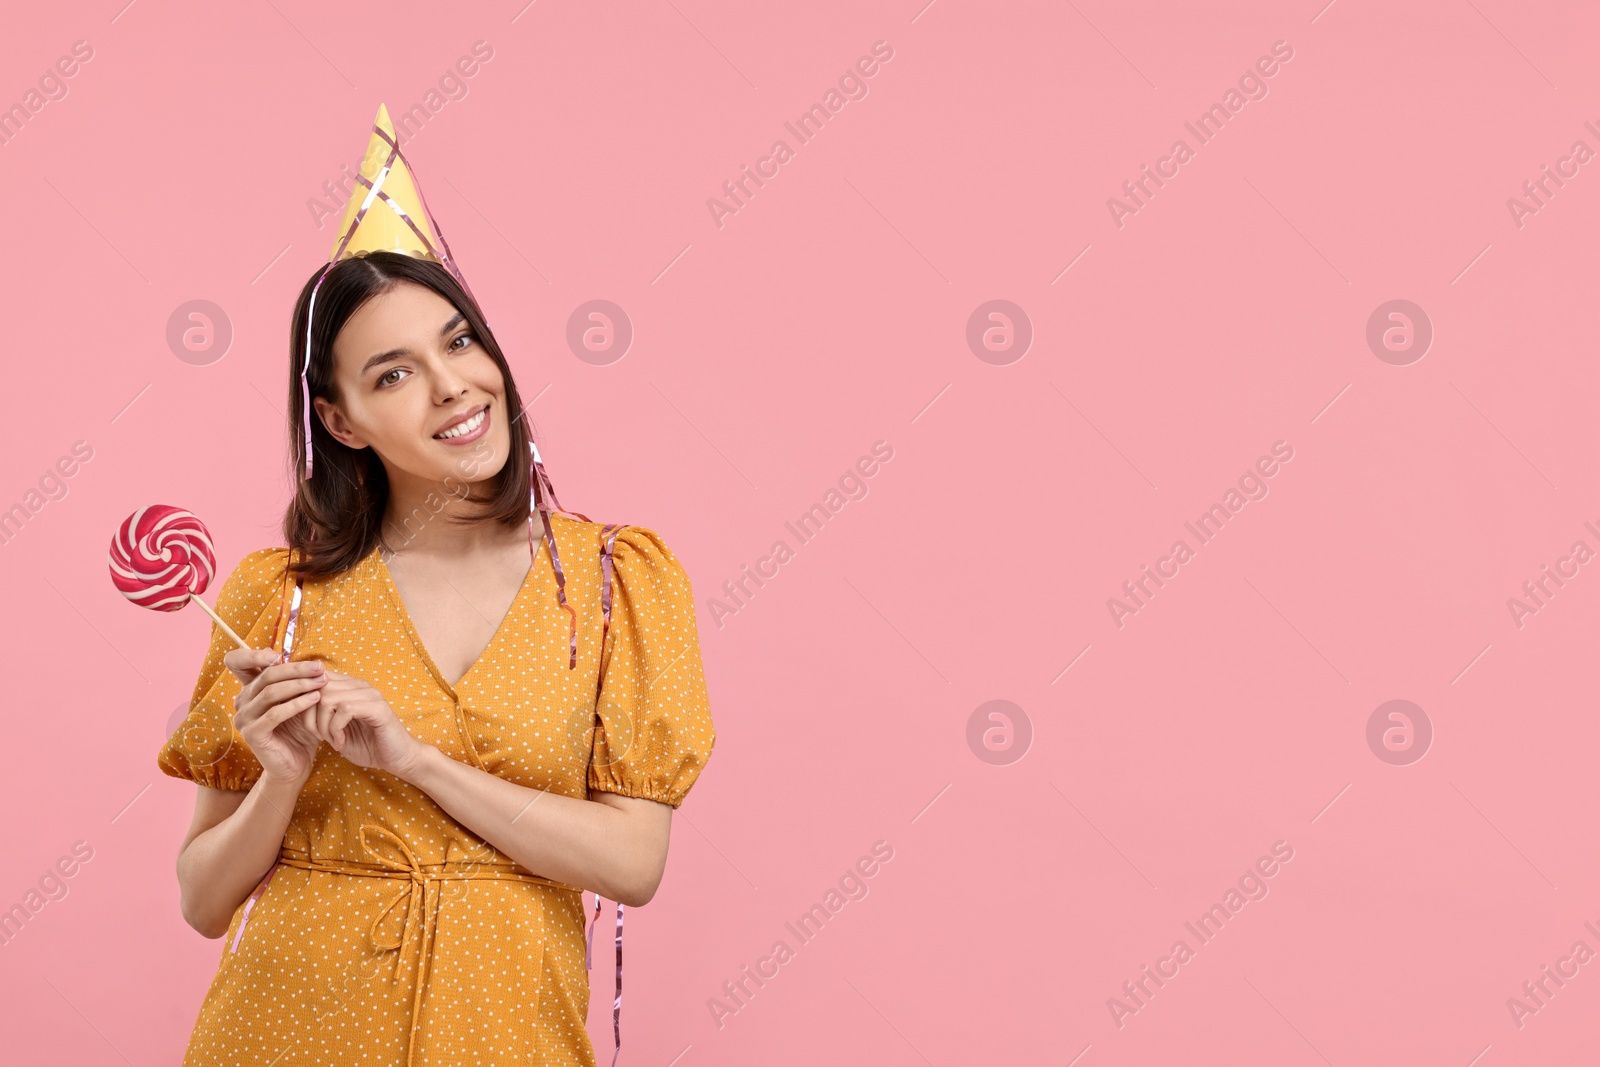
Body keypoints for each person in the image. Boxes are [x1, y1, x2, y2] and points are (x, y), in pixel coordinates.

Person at [156, 105, 716, 1067]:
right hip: (286, 1034)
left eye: (459, 343)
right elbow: (204, 899)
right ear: (341, 422)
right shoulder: (279, 594)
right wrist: (282, 777)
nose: (453, 386)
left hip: (508, 1040)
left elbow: (633, 863)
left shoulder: (615, 581)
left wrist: (414, 760)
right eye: (394, 374)